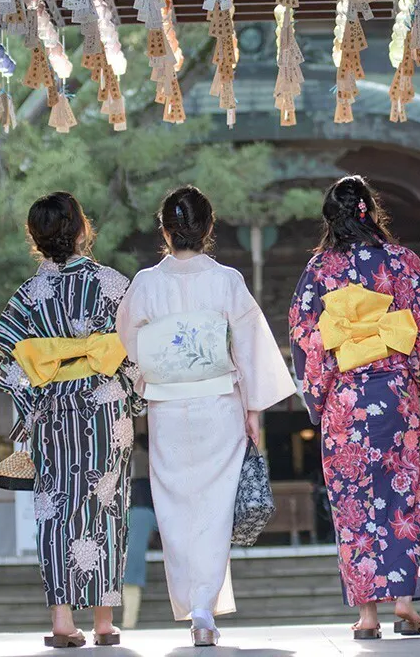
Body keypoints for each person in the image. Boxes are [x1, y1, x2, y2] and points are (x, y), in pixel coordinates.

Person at [116, 186, 296, 647]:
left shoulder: (146, 283)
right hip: (219, 403)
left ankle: (196, 604)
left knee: (175, 508)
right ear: (209, 227)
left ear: (165, 231)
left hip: (167, 408)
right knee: (214, 508)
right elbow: (250, 346)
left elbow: (129, 342)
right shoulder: (226, 281)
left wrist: (153, 374)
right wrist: (253, 408)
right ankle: (203, 608)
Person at [288, 176, 420, 640]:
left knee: (353, 502)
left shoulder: (320, 269)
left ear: (330, 220)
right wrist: (412, 367)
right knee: (402, 493)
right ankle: (404, 604)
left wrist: (317, 398)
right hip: (394, 394)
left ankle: (368, 615)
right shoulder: (401, 261)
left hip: (347, 399)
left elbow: (304, 336)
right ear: (370, 212)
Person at [0, 192, 144, 648]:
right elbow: (135, 349)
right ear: (81, 229)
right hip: (104, 408)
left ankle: (62, 619)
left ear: (36, 238)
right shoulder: (112, 283)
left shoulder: (29, 295)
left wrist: (31, 405)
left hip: (52, 410)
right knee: (106, 505)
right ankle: (103, 622)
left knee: (56, 509)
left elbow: (9, 362)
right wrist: (132, 394)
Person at [121, 433, 156, 629]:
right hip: (136, 553)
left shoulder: (136, 457)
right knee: (131, 582)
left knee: (129, 582)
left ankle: (128, 622)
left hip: (122, 553)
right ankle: (128, 622)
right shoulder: (148, 513)